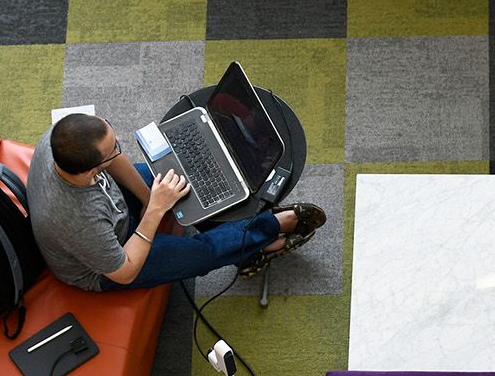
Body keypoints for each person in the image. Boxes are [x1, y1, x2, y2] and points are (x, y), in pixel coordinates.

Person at [27, 113, 325, 291]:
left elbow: (114, 159)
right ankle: (270, 228)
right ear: (93, 169)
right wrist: (155, 210)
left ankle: (246, 240)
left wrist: (148, 197)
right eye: (113, 147)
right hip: (111, 260)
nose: (119, 148)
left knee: (174, 177)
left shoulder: (59, 138)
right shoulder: (77, 219)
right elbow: (125, 270)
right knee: (200, 253)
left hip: (111, 211)